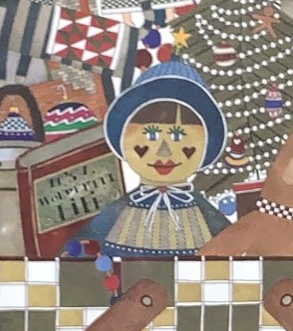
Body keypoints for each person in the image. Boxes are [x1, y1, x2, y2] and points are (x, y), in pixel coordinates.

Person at [79, 61, 229, 256]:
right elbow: (81, 252)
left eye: (178, 136)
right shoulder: (114, 215)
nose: (163, 152)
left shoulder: (210, 220)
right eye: (151, 135)